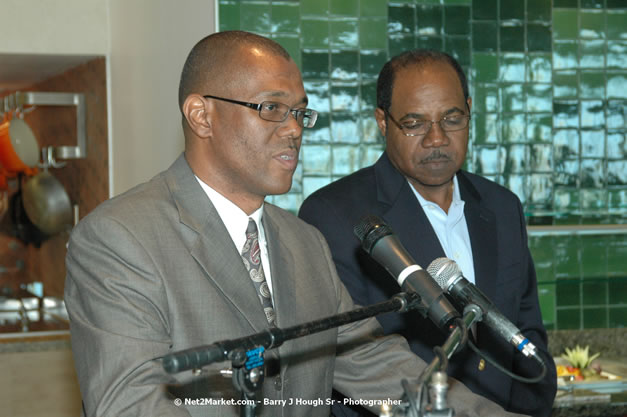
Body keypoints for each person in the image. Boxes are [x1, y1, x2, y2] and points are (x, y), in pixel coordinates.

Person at [65, 32, 527, 417]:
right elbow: (129, 403)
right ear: (201, 115)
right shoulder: (119, 238)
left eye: (300, 112)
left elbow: (373, 363)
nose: (294, 129)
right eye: (271, 109)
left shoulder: (304, 241)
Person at [299, 49, 557, 417]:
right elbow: (351, 360)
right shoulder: (334, 215)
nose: (436, 139)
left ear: (469, 111)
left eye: (452, 119)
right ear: (382, 122)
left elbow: (527, 333)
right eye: (414, 123)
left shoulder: (502, 206)